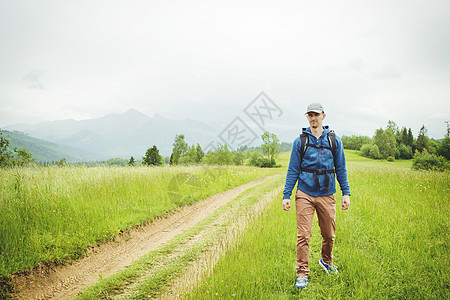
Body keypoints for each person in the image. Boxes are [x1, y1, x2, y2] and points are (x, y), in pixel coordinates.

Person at [282, 103, 350, 289]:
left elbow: (341, 168)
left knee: (329, 235)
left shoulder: (334, 140)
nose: (313, 118)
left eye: (316, 115)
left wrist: (346, 192)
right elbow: (293, 169)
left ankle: (326, 261)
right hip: (305, 193)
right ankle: (302, 273)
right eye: (310, 115)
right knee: (303, 235)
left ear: (323, 116)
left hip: (327, 194)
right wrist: (287, 194)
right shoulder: (300, 142)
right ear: (307, 117)